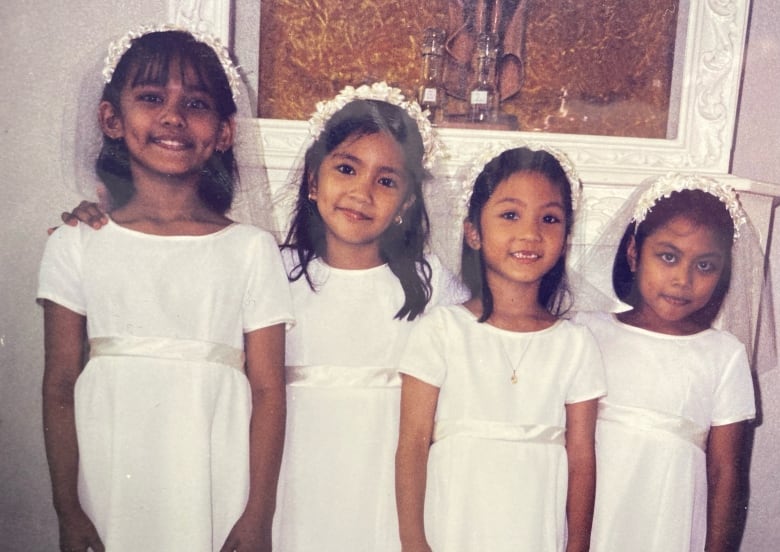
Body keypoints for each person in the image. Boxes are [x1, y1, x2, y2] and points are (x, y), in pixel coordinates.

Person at [38, 26, 294, 552]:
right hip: (114, 467)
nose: (173, 117)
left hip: (212, 469)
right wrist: (68, 509)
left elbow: (269, 391)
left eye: (196, 103)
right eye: (152, 98)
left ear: (224, 133)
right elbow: (60, 384)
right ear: (111, 118)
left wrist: (258, 516)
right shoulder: (77, 244)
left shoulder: (250, 249)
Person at [271, 82, 467, 551]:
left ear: (406, 204)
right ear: (314, 181)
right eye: (346, 168)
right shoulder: (274, 269)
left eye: (386, 180)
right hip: (294, 476)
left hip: (384, 485)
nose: (362, 192)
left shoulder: (429, 281)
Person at [396, 144, 606, 552]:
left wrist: (577, 544)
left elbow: (582, 459)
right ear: (473, 230)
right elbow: (412, 443)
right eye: (510, 215)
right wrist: (413, 541)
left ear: (565, 239)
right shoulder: (442, 330)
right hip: (456, 519)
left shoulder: (575, 343)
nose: (531, 233)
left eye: (549, 218)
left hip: (533, 525)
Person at [574, 174, 757, 552]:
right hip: (591, 515)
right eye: (668, 257)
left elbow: (726, 475)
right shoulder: (585, 332)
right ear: (633, 253)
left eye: (704, 266)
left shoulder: (724, 354)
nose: (683, 280)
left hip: (668, 519)